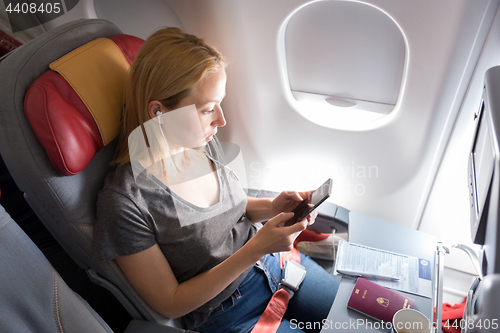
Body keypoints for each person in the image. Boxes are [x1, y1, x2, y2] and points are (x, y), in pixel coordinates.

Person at [92, 27, 339, 333]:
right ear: (159, 113)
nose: (221, 120)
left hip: (278, 267)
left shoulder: (199, 143)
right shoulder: (126, 203)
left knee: (368, 322)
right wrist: (256, 249)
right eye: (208, 109)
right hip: (231, 311)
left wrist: (272, 207)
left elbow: (223, 210)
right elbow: (169, 302)